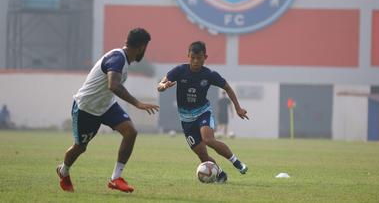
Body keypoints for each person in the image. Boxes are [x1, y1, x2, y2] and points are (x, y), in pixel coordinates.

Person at [56, 28, 159, 193]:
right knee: (80, 147)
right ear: (141, 46)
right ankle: (63, 171)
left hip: (106, 106)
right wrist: (137, 103)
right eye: (145, 47)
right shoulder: (117, 58)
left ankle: (115, 179)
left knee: (130, 132)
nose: (145, 51)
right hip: (86, 108)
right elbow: (113, 85)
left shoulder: (123, 59)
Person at [157, 41, 249, 183]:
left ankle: (237, 162)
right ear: (188, 56)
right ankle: (220, 174)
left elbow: (228, 88)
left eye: (199, 58)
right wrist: (164, 86)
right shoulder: (179, 70)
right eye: (192, 57)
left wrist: (238, 108)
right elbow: (160, 85)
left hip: (202, 112)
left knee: (208, 139)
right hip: (186, 119)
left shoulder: (209, 74)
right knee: (203, 157)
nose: (195, 61)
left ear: (205, 57)